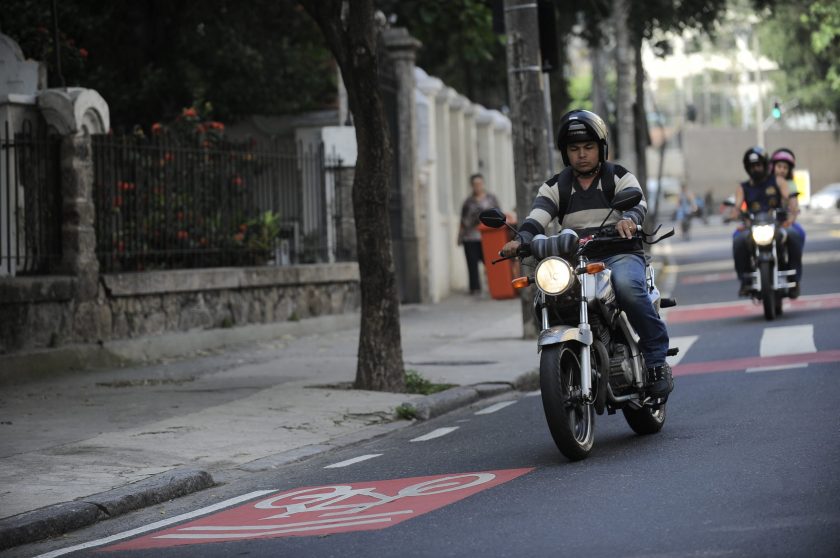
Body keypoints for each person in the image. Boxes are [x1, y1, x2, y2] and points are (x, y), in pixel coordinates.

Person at [500, 109, 673, 399]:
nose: (582, 154)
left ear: (600, 148)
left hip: (619, 253)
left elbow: (637, 204)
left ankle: (656, 360)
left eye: (588, 147)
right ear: (566, 153)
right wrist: (522, 239)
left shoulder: (618, 176)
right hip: (576, 260)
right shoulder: (556, 186)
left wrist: (629, 219)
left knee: (628, 289)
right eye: (574, 149)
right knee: (550, 296)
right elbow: (536, 219)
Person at [730, 146, 803, 298]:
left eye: (758, 165)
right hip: (752, 227)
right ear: (747, 168)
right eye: (752, 166)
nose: (755, 169)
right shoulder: (742, 187)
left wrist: (792, 214)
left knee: (795, 235)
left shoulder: (778, 181)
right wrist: (735, 213)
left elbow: (790, 199)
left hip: (777, 225)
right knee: (737, 239)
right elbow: (736, 207)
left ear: (764, 165)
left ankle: (794, 279)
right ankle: (744, 280)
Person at [458, 173, 500, 295]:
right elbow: (463, 220)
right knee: (472, 263)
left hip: (488, 237)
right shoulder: (468, 202)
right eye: (475, 184)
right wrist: (459, 236)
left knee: (491, 263)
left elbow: (498, 215)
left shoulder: (491, 199)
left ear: (483, 184)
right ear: (472, 186)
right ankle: (475, 288)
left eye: (480, 183)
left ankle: (495, 286)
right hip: (470, 237)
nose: (478, 186)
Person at [770, 148, 806, 280]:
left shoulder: (791, 184)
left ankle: (794, 276)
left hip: (783, 222)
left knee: (798, 234)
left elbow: (793, 205)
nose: (782, 170)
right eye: (779, 166)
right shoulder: (765, 183)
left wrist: (791, 218)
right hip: (765, 223)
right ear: (772, 166)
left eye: (785, 167)